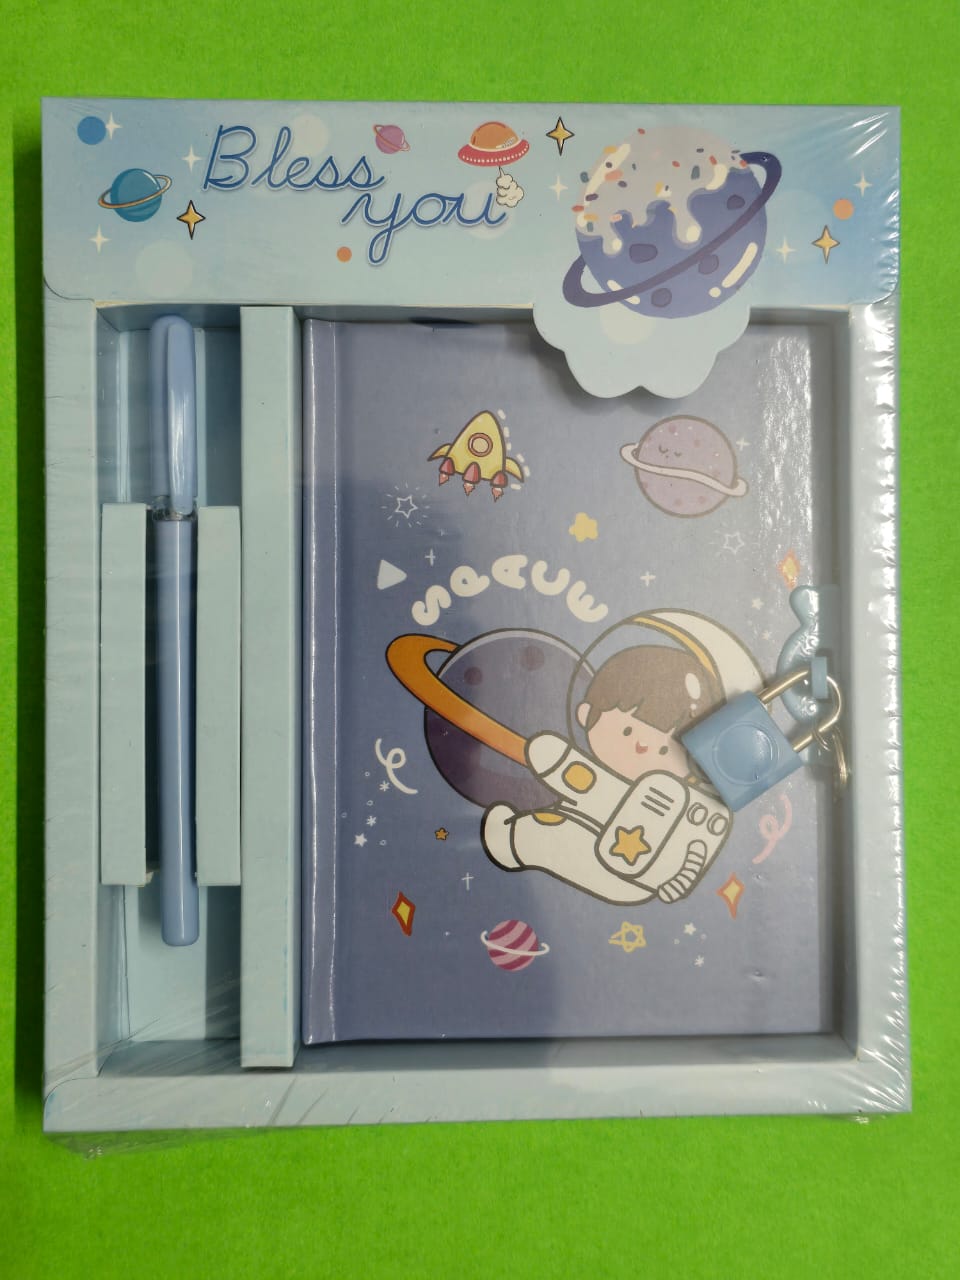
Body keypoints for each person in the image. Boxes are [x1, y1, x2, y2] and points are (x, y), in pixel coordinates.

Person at [481, 643, 733, 904]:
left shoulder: (676, 803)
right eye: (627, 731)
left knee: (550, 837)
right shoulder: (598, 780)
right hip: (592, 845)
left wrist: (682, 871)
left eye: (663, 749)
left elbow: (559, 764)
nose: (642, 746)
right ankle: (513, 840)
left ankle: (512, 840)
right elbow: (564, 768)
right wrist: (556, 759)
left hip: (630, 879)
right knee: (551, 830)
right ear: (586, 713)